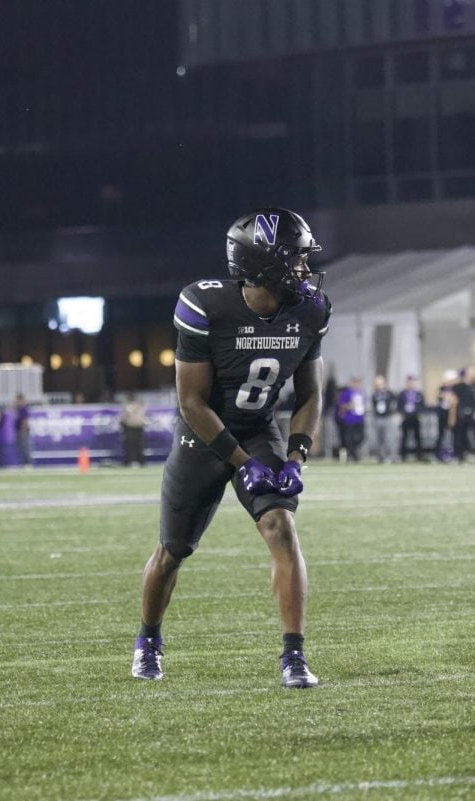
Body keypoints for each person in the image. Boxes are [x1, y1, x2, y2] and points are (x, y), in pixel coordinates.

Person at [131, 207, 330, 689]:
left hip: (259, 429)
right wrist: (243, 464)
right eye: (294, 258)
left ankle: (294, 656)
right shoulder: (205, 306)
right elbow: (191, 401)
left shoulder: (310, 309)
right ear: (261, 263)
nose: (304, 268)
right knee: (172, 551)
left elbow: (310, 395)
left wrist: (297, 458)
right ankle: (148, 639)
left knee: (281, 527)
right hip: (201, 436)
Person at [335, 376, 365, 462]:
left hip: (360, 419)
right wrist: (349, 406)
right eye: (355, 382)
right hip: (350, 419)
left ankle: (354, 452)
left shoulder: (361, 392)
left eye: (358, 382)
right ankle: (353, 455)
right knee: (349, 438)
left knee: (361, 437)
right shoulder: (346, 393)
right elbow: (341, 406)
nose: (356, 384)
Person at [397, 374, 426, 462]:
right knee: (404, 437)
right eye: (410, 382)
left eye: (413, 382)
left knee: (417, 437)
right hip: (406, 417)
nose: (411, 383)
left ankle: (419, 455)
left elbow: (422, 406)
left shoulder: (418, 394)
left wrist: (420, 414)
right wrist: (401, 414)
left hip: (415, 417)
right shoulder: (402, 393)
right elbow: (399, 405)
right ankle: (403, 455)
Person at [368, 374, 396, 463]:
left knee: (389, 439)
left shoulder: (389, 393)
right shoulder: (374, 394)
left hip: (387, 417)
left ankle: (391, 456)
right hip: (377, 418)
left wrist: (394, 412)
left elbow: (394, 403)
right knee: (378, 439)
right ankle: (381, 457)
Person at [119, 391, 147, 467]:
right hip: (138, 427)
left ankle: (130, 461)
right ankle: (139, 461)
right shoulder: (140, 405)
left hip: (130, 427)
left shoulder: (127, 406)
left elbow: (123, 418)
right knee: (137, 445)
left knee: (131, 446)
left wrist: (121, 423)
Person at [13, 393, 32, 468]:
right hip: (18, 430)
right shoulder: (17, 409)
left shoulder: (23, 409)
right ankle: (23, 463)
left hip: (22, 431)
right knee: (20, 447)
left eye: (18, 400)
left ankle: (27, 463)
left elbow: (25, 420)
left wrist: (23, 430)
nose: (17, 402)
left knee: (25, 447)